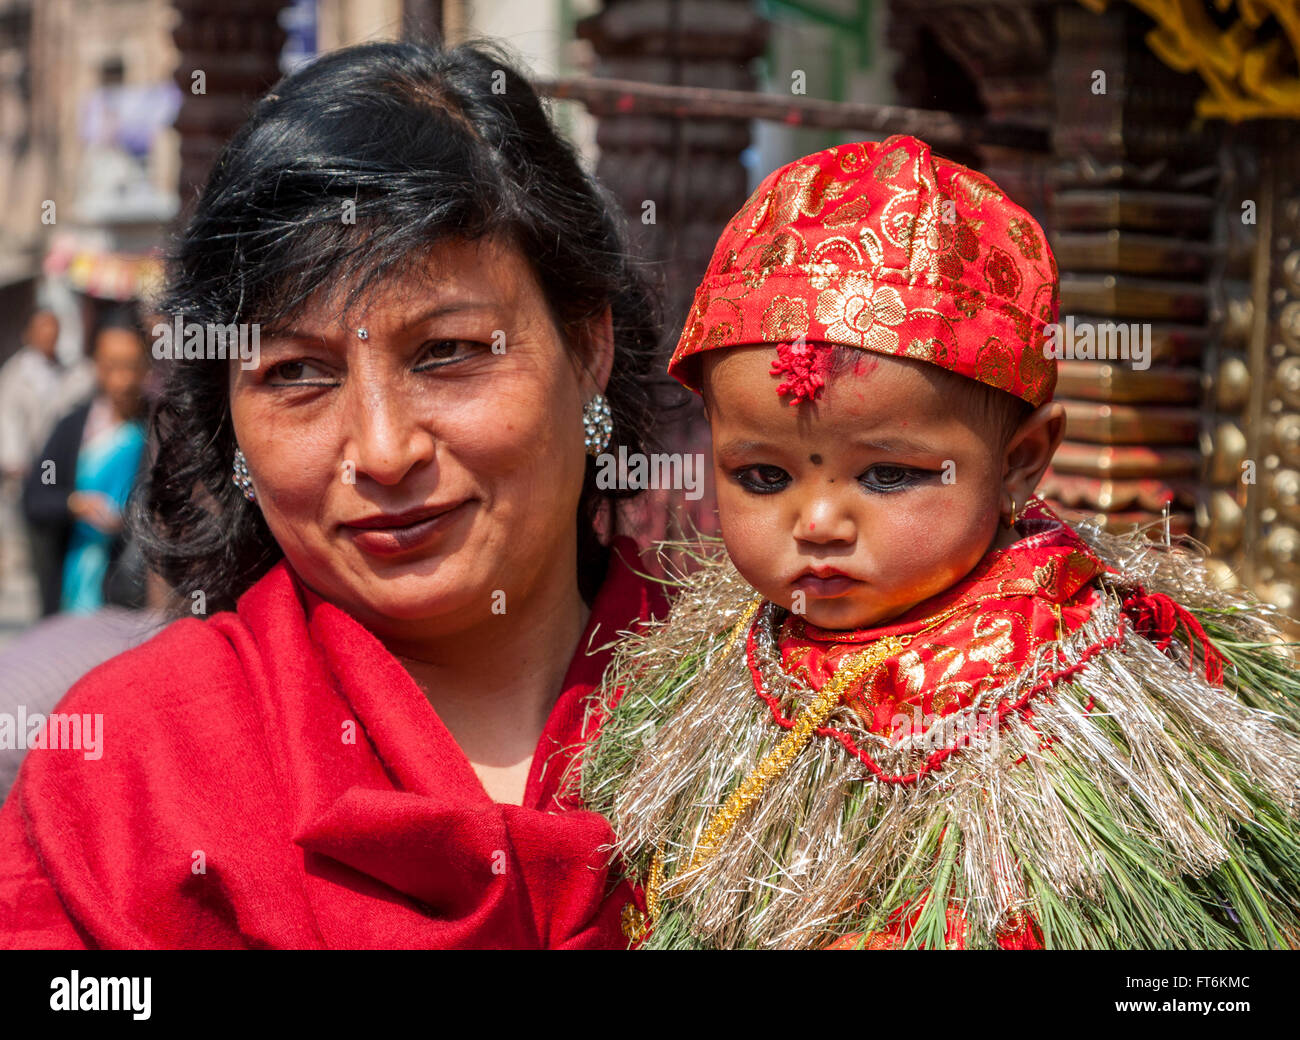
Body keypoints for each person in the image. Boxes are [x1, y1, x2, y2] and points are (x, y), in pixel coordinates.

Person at [0, 40, 668, 949]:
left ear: (587, 350)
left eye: (449, 352)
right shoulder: (132, 764)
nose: (385, 452)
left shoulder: (788, 711)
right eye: (298, 374)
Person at [579, 134, 1300, 949]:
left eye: (887, 476)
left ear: (1021, 464)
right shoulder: (721, 661)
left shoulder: (1063, 722)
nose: (818, 524)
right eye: (764, 478)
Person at [20, 314, 150, 616]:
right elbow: (35, 497)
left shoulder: (158, 430)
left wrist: (132, 519)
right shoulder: (72, 428)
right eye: (111, 366)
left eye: (131, 366)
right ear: (96, 365)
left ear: (146, 367)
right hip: (72, 585)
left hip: (134, 600)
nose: (123, 379)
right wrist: (74, 504)